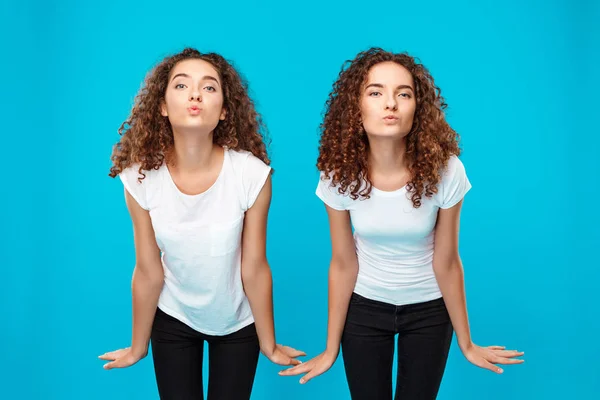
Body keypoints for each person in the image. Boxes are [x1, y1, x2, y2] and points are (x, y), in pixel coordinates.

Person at [280, 47, 524, 399]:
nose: (390, 103)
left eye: (403, 94)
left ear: (417, 109)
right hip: (364, 308)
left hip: (429, 310)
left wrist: (467, 343)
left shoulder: (447, 171)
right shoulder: (338, 174)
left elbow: (448, 261)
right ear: (356, 108)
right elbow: (343, 263)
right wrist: (331, 348)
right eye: (375, 92)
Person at [98, 48, 304, 400]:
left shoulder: (251, 174)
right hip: (173, 316)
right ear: (162, 106)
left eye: (209, 88)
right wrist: (137, 346)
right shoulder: (139, 179)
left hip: (237, 321)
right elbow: (148, 271)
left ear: (224, 111)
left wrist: (268, 343)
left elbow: (254, 266)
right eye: (181, 86)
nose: (195, 94)